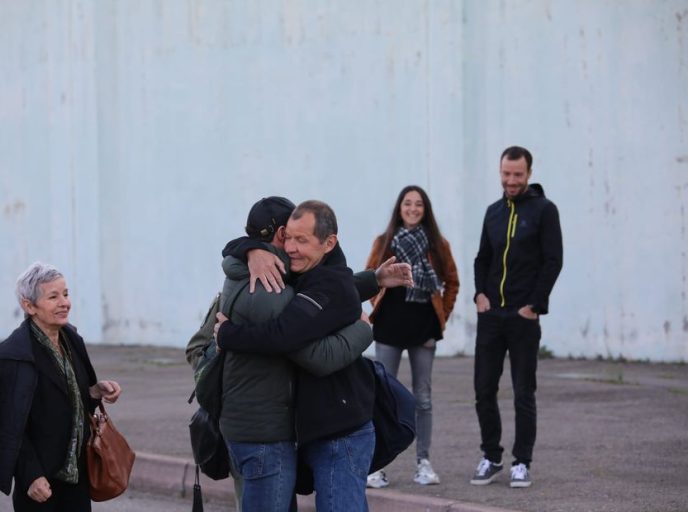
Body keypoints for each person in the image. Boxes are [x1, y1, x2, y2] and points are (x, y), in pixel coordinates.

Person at [216, 196, 375, 512]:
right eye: (289, 236)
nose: (291, 246)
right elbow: (313, 354)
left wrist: (375, 279)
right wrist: (364, 330)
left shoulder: (247, 275)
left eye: (301, 239)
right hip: (266, 432)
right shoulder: (270, 284)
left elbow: (328, 286)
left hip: (318, 427)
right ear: (277, 236)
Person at [0, 262, 123, 511]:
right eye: (53, 296)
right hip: (39, 483)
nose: (64, 303)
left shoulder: (72, 341)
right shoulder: (11, 356)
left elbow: (70, 401)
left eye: (66, 294)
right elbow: (7, 423)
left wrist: (94, 392)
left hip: (77, 476)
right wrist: (29, 474)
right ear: (29, 306)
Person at [470, 146, 563, 488]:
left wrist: (535, 306)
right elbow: (483, 258)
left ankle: (521, 462)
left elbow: (553, 260)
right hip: (491, 316)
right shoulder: (493, 212)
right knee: (483, 389)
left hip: (523, 317)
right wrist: (479, 295)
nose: (511, 181)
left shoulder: (544, 211)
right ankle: (491, 456)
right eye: (506, 174)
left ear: (529, 174)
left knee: (523, 391)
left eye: (517, 175)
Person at [364, 185, 459, 488]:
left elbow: (452, 282)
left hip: (423, 328)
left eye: (419, 204)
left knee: (423, 398)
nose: (413, 209)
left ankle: (424, 463)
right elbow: (368, 277)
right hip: (389, 326)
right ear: (400, 208)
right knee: (382, 396)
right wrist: (376, 298)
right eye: (408, 204)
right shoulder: (384, 242)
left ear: (425, 209)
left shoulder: (437, 244)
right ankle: (377, 466)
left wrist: (440, 314)